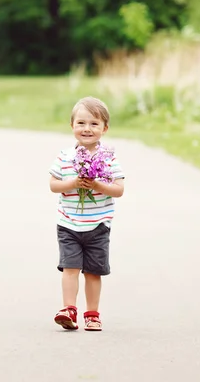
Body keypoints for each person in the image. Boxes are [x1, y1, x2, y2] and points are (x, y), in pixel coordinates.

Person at [49, 96, 125, 331]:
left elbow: (119, 189)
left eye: (94, 124)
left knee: (93, 273)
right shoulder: (64, 157)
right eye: (81, 123)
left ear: (104, 129)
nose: (87, 129)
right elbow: (53, 185)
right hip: (69, 224)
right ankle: (68, 310)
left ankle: (92, 314)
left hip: (98, 226)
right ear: (72, 126)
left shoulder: (108, 158)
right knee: (70, 268)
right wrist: (73, 183)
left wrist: (98, 186)